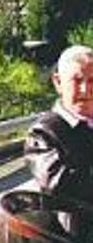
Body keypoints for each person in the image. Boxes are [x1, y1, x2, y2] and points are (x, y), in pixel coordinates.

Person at [26, 45, 93, 214]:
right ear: (58, 82)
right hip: (77, 237)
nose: (85, 89)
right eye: (76, 81)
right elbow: (63, 188)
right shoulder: (43, 133)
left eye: (92, 80)